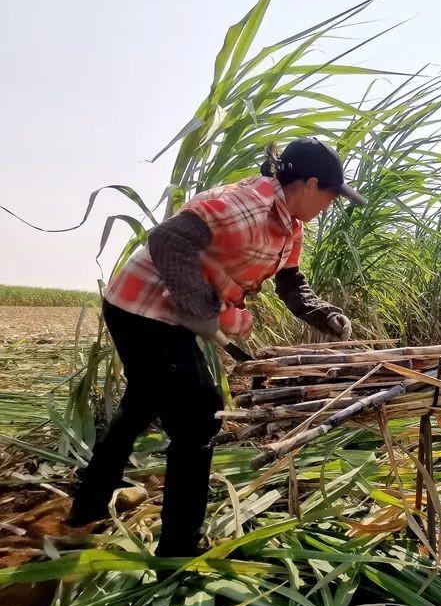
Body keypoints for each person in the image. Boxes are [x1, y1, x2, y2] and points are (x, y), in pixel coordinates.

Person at [67, 137, 366, 557]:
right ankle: (178, 551)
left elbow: (290, 282)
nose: (330, 205)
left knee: (142, 403)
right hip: (140, 306)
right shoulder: (245, 205)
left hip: (172, 313)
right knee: (198, 418)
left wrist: (322, 314)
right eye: (331, 196)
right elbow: (168, 240)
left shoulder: (291, 226)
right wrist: (203, 309)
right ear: (311, 183)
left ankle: (87, 506)